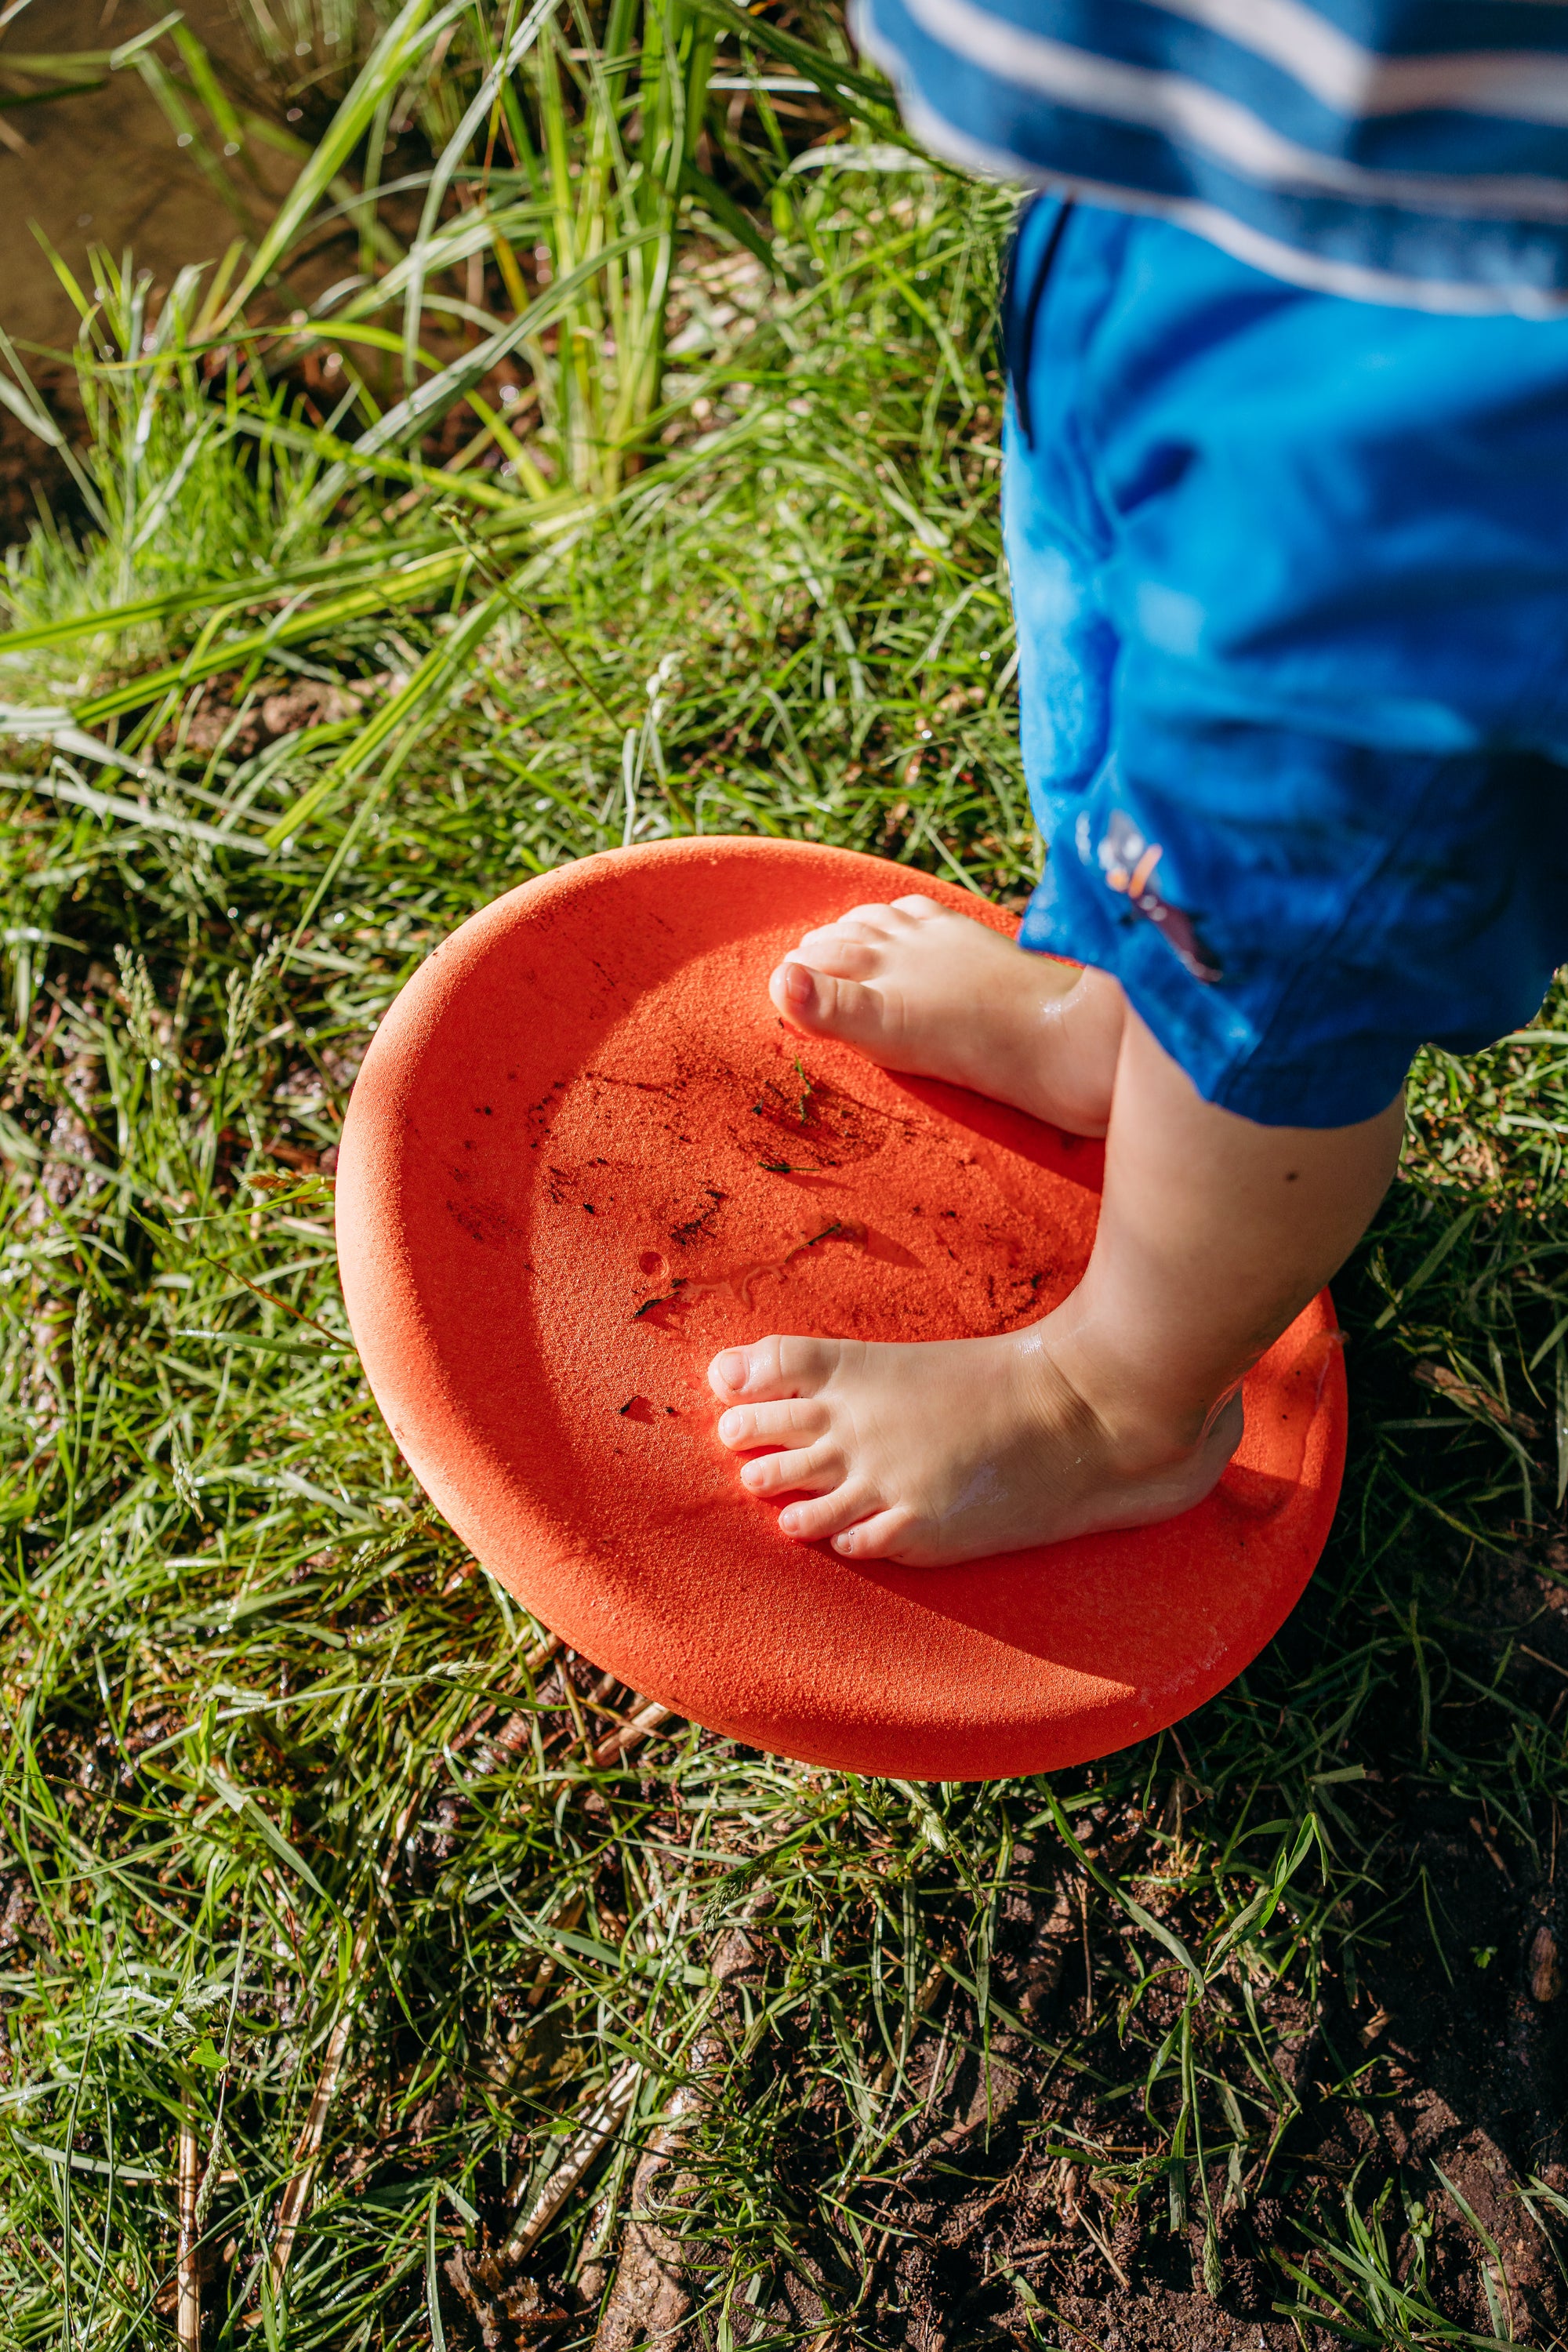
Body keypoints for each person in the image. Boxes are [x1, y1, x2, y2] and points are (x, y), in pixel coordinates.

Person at [706, 0, 1568, 1566]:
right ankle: (1101, 1021)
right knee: (1122, 687)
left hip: (1442, 416)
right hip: (1184, 192)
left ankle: (1115, 1407)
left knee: (1269, 951)